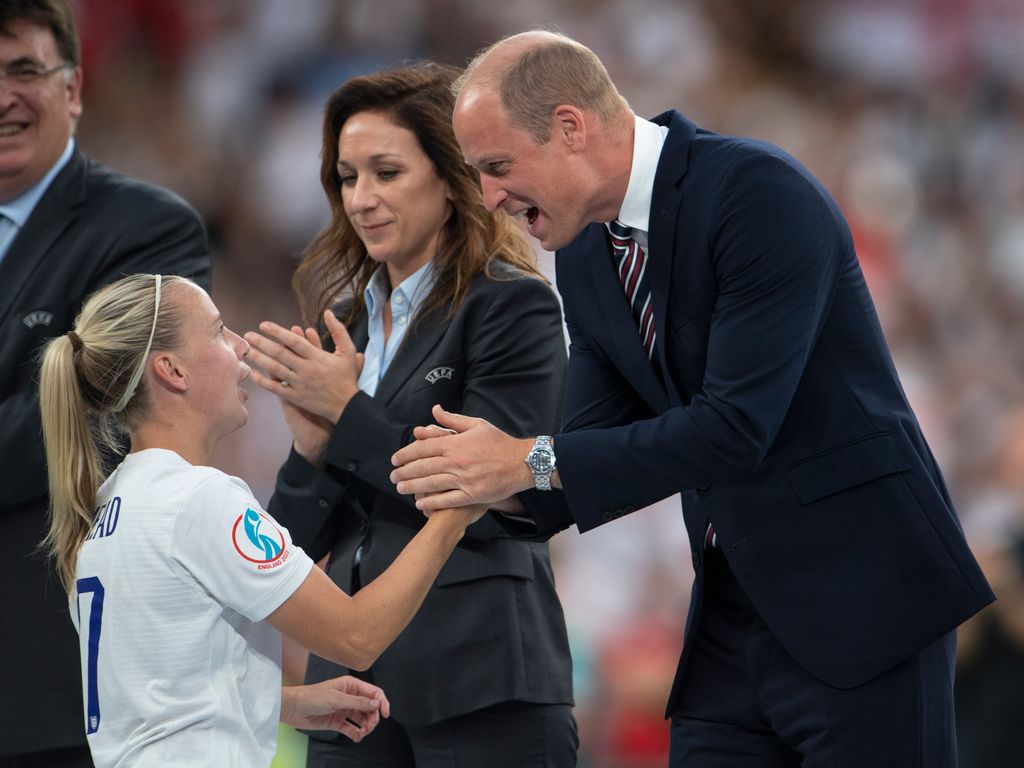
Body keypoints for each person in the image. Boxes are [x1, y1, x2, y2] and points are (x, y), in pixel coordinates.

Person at [389, 31, 997, 767]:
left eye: (497, 167)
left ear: (570, 128)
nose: (488, 197)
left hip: (864, 604)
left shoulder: (757, 194)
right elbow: (580, 452)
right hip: (731, 628)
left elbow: (734, 428)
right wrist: (466, 473)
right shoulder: (583, 253)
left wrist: (526, 461)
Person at [243, 62, 577, 767]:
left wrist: (348, 413)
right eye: (347, 177)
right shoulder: (345, 324)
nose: (361, 199)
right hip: (350, 693)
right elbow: (297, 544)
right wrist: (309, 453)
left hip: (483, 679)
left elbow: (485, 492)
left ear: (452, 180)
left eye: (386, 173)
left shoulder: (511, 306)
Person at [38, 273, 492, 767]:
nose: (240, 348)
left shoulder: (104, 509)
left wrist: (286, 703)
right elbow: (356, 636)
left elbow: (155, 693)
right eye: (217, 331)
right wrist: (454, 511)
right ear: (171, 369)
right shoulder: (199, 498)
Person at [0, 2, 210, 765]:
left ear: (75, 87)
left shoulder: (147, 231)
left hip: (58, 684)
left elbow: (104, 414)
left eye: (24, 70)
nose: (3, 97)